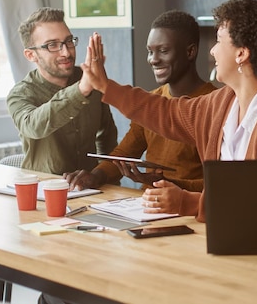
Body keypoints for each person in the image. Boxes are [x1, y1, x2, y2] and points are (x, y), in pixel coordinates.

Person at [80, 0, 257, 222]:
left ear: (241, 53)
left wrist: (188, 202)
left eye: (219, 40)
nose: (212, 51)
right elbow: (164, 112)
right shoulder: (220, 103)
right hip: (222, 235)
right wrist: (105, 86)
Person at [65, 10, 217, 192]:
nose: (153, 60)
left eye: (163, 50)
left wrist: (166, 182)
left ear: (190, 51)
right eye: (150, 51)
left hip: (190, 210)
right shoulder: (150, 101)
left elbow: (218, 183)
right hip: (148, 205)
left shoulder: (213, 105)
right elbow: (124, 153)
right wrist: (94, 176)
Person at [6, 7, 117, 175]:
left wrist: (104, 175)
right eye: (52, 45)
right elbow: (33, 126)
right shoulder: (20, 94)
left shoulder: (88, 77)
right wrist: (81, 89)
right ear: (31, 55)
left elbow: (107, 137)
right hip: (43, 193)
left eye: (69, 41)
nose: (66, 52)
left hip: (94, 192)